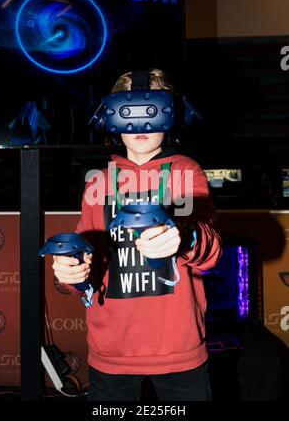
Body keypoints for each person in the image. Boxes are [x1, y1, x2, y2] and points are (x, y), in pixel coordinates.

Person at [52, 68, 222, 401]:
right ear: (112, 115)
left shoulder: (187, 171)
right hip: (112, 349)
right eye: (127, 110)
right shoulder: (97, 182)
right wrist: (73, 271)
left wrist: (184, 238)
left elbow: (212, 250)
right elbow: (87, 261)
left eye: (152, 108)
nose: (140, 121)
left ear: (170, 113)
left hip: (178, 346)